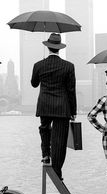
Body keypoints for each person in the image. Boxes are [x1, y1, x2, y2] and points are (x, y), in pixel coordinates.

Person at [31, 33, 77, 180]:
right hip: (62, 107)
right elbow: (71, 90)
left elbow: (34, 83)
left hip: (45, 105)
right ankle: (57, 170)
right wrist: (73, 110)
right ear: (59, 49)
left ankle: (45, 155)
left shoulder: (39, 65)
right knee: (60, 139)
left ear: (48, 47)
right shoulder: (68, 66)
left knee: (44, 129)